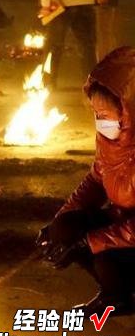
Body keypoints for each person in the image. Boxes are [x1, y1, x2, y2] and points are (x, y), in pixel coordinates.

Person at [37, 47, 135, 316]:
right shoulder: (110, 140)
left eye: (106, 116)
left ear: (129, 110)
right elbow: (96, 178)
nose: (100, 123)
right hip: (122, 223)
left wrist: (90, 242)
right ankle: (115, 294)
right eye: (96, 115)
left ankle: (121, 294)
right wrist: (59, 222)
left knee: (101, 250)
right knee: (66, 229)